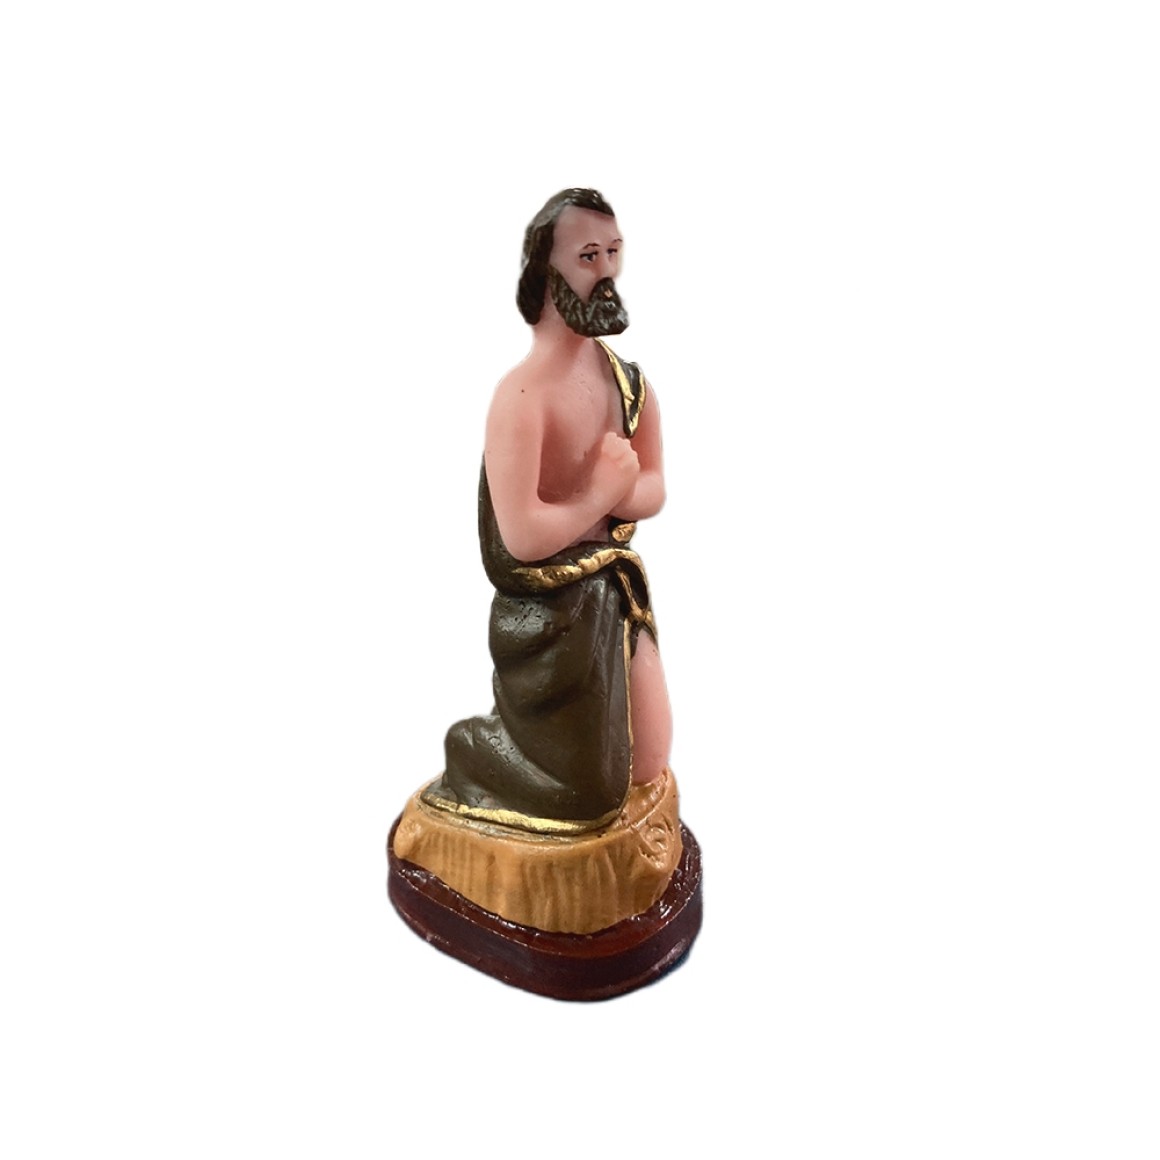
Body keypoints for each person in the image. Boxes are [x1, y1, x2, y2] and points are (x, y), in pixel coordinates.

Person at [421, 189, 672, 833]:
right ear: (546, 272)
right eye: (588, 256)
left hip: (614, 591)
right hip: (545, 615)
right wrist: (599, 494)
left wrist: (622, 490)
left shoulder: (629, 384)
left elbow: (653, 487)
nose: (607, 271)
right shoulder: (522, 399)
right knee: (582, 794)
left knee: (649, 759)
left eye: (614, 252)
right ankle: (478, 750)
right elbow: (524, 536)